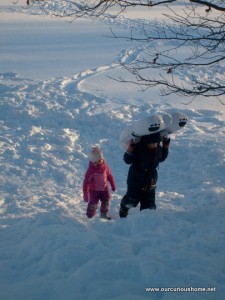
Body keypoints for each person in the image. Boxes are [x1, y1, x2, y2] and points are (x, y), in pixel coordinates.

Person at [119, 132, 170, 218]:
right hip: (136, 181)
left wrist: (165, 146)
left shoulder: (158, 149)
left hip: (151, 181)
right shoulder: (139, 148)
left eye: (156, 143)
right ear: (146, 142)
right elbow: (127, 160)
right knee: (131, 202)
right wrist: (130, 150)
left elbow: (162, 158)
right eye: (152, 143)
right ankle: (123, 208)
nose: (154, 145)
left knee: (149, 206)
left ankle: (146, 222)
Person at [83, 145, 116, 220]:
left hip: (104, 188)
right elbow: (86, 182)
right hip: (94, 190)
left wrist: (113, 185)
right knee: (93, 203)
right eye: (98, 160)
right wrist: (86, 193)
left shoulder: (105, 166)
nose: (101, 161)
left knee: (106, 200)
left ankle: (103, 214)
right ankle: (90, 216)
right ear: (94, 161)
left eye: (101, 159)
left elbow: (109, 175)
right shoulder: (91, 170)